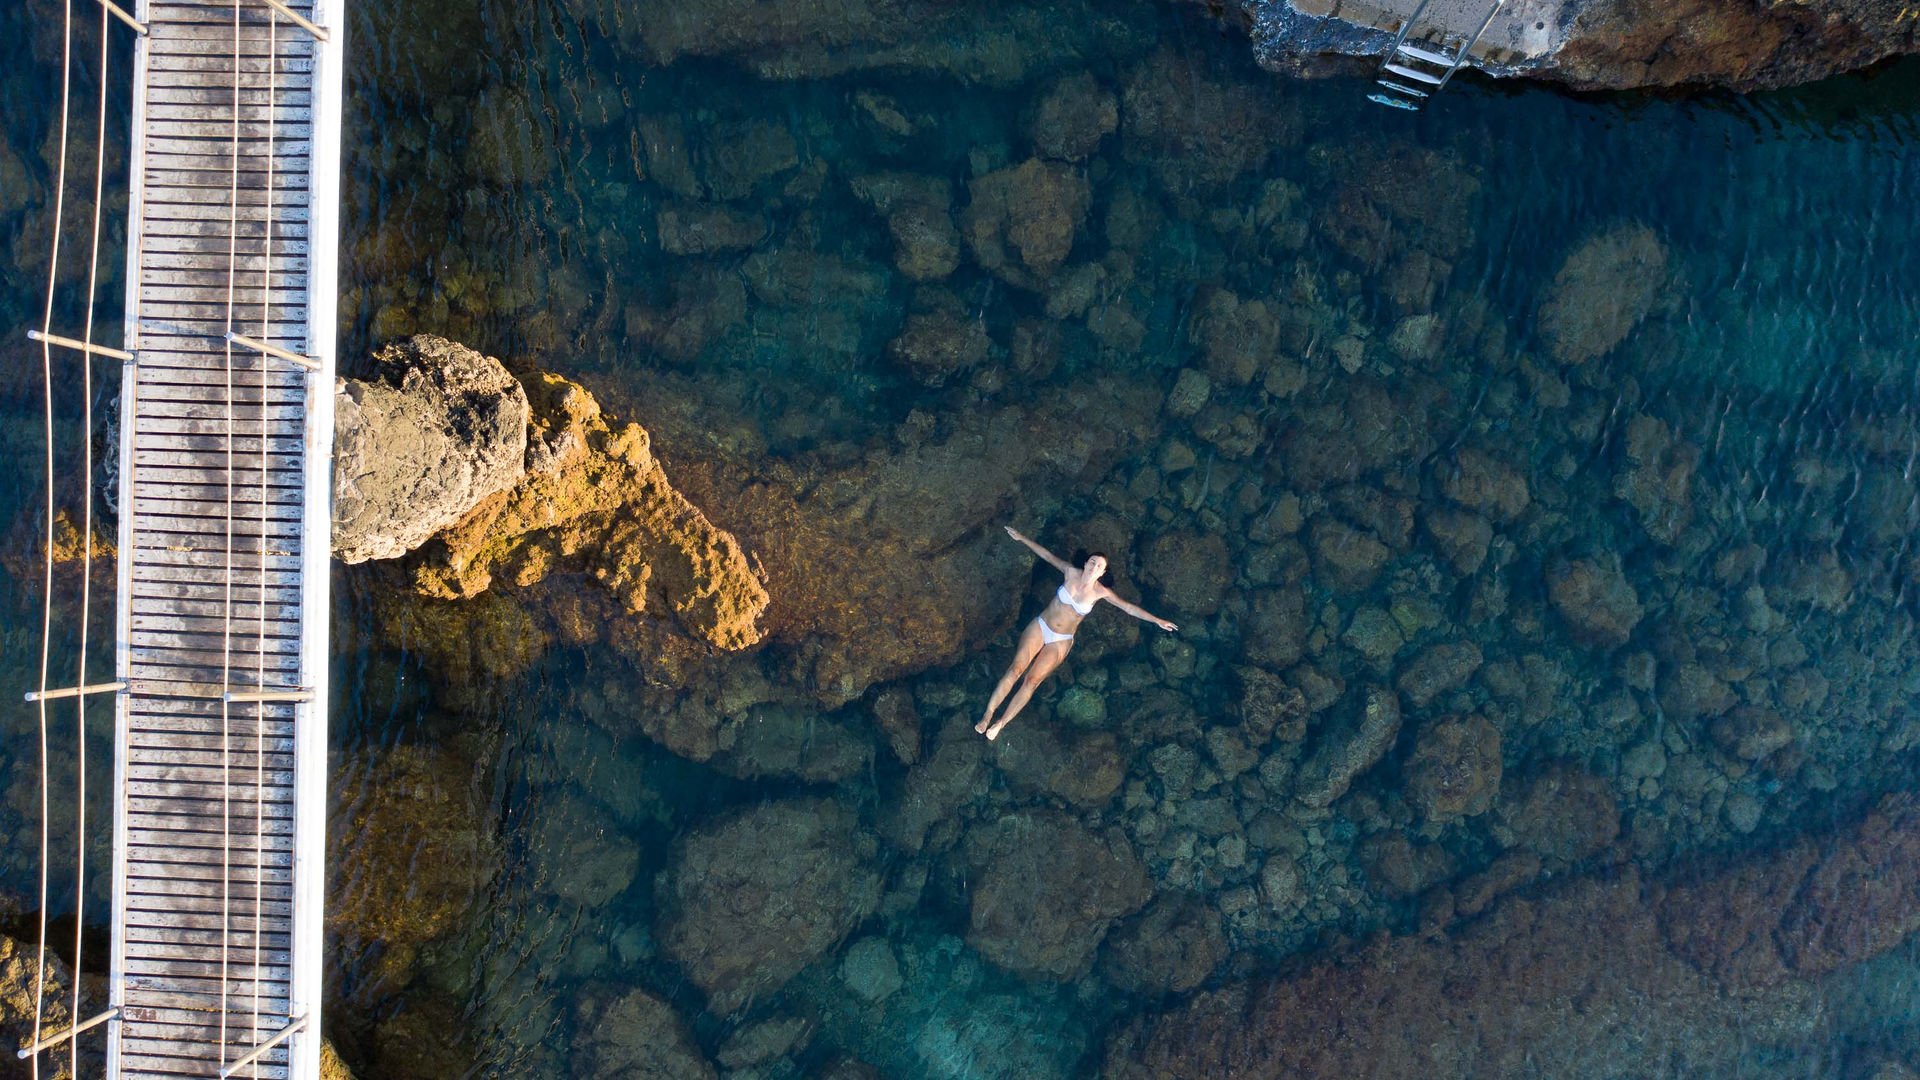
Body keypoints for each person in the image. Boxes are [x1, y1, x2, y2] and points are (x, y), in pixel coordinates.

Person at [976, 525, 1177, 740]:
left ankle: (1001, 723)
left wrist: (1157, 620)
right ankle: (988, 714)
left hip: (1061, 640)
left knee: (1032, 681)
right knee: (1016, 669)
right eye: (1092, 561)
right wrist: (1021, 537)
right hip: (1042, 625)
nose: (1094, 566)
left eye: (1099, 565)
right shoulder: (1071, 572)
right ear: (1086, 563)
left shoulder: (1101, 592)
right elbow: (1046, 555)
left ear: (1102, 572)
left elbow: (1128, 607)